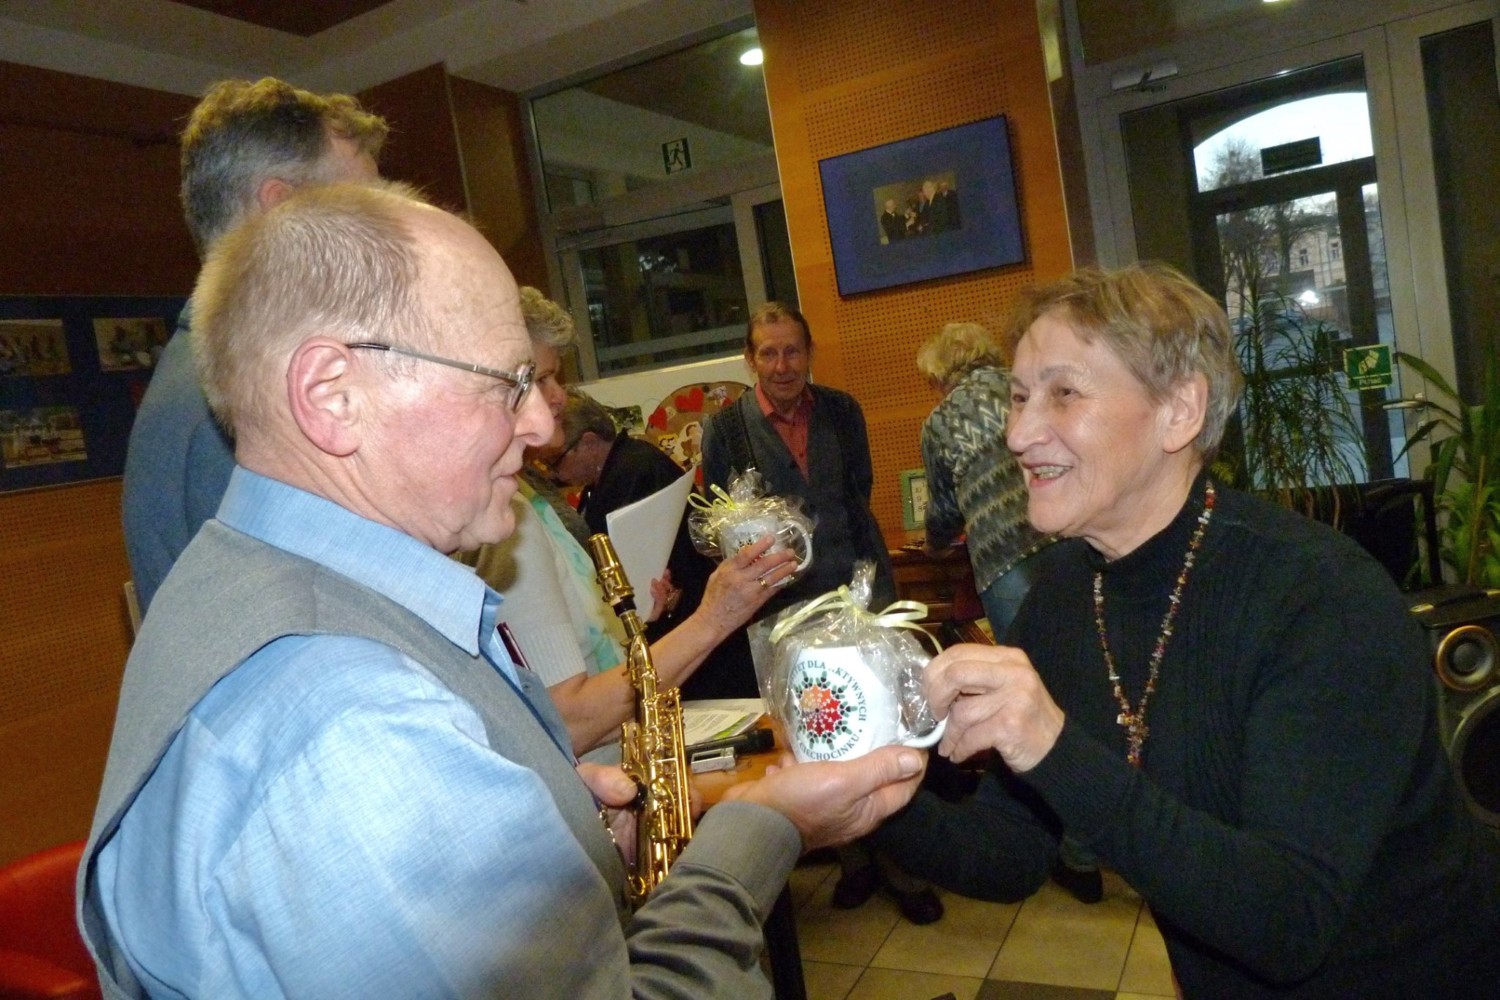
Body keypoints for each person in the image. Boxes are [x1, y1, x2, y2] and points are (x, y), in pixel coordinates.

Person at [77, 182, 927, 999]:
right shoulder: (353, 724)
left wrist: (538, 826)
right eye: (507, 382)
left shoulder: (228, 578)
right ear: (333, 396)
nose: (545, 423)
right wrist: (765, 827)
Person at [875, 262, 1500, 997]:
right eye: (1018, 397)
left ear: (1179, 410)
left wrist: (1051, 745)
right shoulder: (1061, 599)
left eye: (1063, 393)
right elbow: (1011, 854)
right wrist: (873, 795)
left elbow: (1291, 922)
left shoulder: (1320, 598)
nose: (1018, 433)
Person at [701, 302, 941, 925]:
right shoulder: (725, 429)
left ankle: (906, 865)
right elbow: (726, 523)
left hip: (862, 595)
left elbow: (857, 492)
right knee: (816, 735)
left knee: (884, 723)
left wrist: (868, 584)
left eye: (793, 351)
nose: (782, 365)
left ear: (808, 353)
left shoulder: (842, 410)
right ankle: (854, 860)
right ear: (750, 359)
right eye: (768, 353)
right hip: (780, 612)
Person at [121, 77, 387, 613]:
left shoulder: (221, 376)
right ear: (280, 211)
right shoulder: (233, 409)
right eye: (362, 209)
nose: (383, 233)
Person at [551, 389, 762, 701]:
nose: (554, 473)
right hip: (690, 625)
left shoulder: (630, 474)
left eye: (556, 460)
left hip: (692, 634)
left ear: (589, 442)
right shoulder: (624, 465)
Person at [916, 321, 1052, 635]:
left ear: (939, 374)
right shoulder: (1024, 387)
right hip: (1063, 539)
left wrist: (934, 546)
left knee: (1021, 657)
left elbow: (945, 510)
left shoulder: (939, 422)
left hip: (1001, 555)